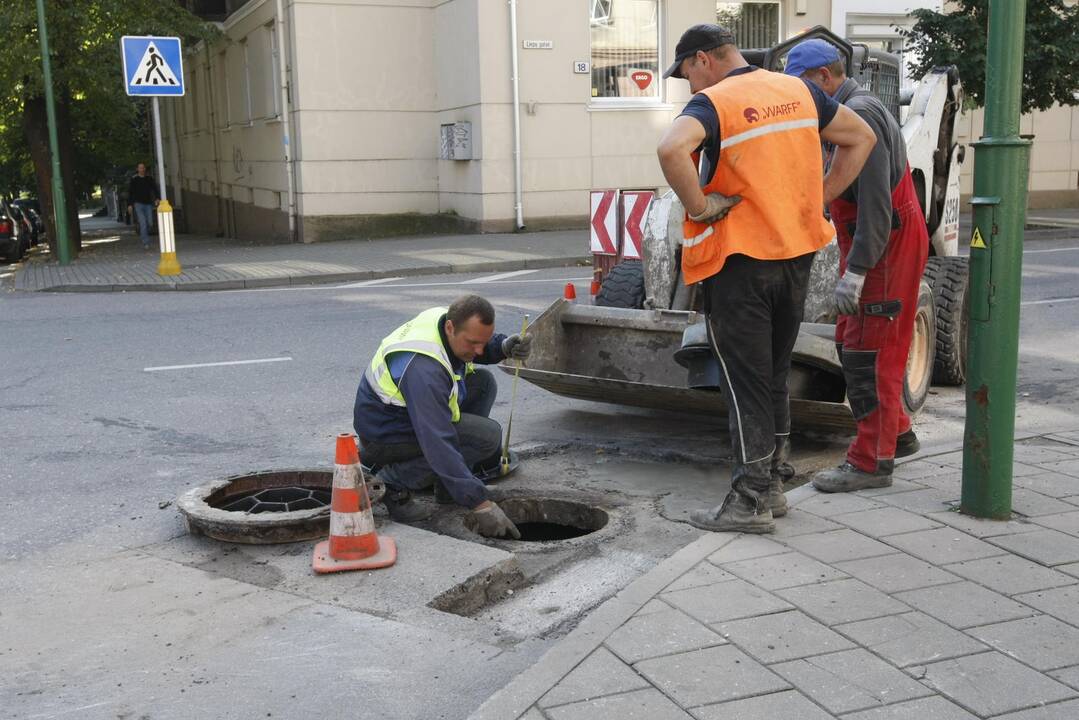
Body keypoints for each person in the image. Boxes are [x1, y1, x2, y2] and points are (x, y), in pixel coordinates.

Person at [656, 24, 876, 533]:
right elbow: (859, 137)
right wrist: (820, 196)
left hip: (740, 263)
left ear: (703, 60)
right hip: (795, 254)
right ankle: (774, 483)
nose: (689, 86)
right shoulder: (797, 90)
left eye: (686, 73)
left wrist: (699, 204)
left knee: (742, 382)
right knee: (773, 372)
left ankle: (748, 499)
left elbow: (671, 150)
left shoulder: (716, 102)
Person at [784, 39, 929, 493]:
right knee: (854, 343)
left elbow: (876, 208)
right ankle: (898, 434)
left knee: (872, 352)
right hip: (878, 242)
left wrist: (859, 269)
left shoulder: (859, 115)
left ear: (825, 77)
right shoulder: (849, 108)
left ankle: (870, 462)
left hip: (884, 246)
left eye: (803, 87)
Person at [353, 295, 532, 539]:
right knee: (487, 437)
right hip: (384, 437)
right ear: (451, 328)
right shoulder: (424, 370)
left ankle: (449, 484)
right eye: (473, 343)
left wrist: (501, 347)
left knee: (483, 384)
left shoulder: (444, 321)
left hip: (403, 419)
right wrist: (479, 503)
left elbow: (476, 346)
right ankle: (394, 484)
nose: (479, 350)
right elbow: (437, 441)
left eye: (484, 342)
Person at [127, 163, 159, 249]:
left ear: (145, 169)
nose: (142, 169)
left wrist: (157, 198)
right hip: (138, 204)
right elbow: (130, 193)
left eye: (143, 168)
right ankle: (146, 242)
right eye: (140, 168)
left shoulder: (149, 179)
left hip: (148, 204)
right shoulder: (134, 179)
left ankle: (143, 233)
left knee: (150, 223)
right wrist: (129, 204)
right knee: (143, 223)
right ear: (137, 169)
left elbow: (155, 188)